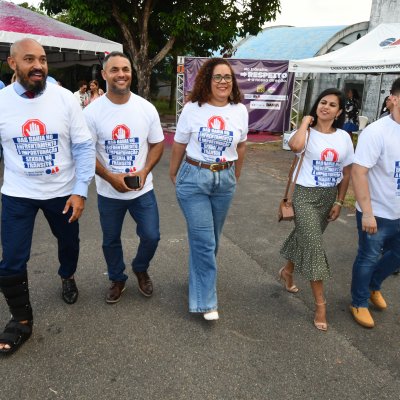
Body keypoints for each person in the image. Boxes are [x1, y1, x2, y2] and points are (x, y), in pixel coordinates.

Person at [0, 38, 95, 355]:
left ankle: (67, 275)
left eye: (42, 59)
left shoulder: (65, 99)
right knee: (12, 259)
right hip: (17, 194)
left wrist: (80, 191)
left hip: (62, 193)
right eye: (29, 59)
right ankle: (21, 321)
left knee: (69, 243)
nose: (38, 65)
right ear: (13, 64)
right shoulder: (2, 103)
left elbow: (83, 146)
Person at [169, 58, 248, 321]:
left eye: (227, 77)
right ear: (207, 80)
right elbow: (179, 143)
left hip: (224, 179)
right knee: (204, 241)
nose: (223, 82)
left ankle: (198, 282)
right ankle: (206, 302)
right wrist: (173, 171)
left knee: (210, 239)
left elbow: (242, 146)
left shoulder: (239, 111)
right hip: (194, 177)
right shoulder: (193, 109)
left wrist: (234, 175)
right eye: (217, 77)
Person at [84, 52, 164, 304]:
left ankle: (140, 267)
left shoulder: (145, 108)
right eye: (115, 69)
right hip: (109, 192)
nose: (121, 74)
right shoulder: (92, 112)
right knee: (110, 240)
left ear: (132, 72)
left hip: (142, 190)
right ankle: (117, 278)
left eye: (126, 69)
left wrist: (144, 171)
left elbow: (157, 144)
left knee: (151, 236)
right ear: (104, 74)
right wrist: (109, 177)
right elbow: (86, 152)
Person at [279, 88, 354, 332]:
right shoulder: (306, 133)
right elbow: (294, 147)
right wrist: (303, 123)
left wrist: (340, 201)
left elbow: (346, 172)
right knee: (314, 247)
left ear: (339, 111)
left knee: (306, 239)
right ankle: (321, 304)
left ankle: (287, 271)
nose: (326, 107)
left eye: (332, 105)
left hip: (328, 197)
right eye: (323, 102)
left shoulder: (343, 137)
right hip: (305, 196)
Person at [349, 77, 400, 329]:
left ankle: (373, 286)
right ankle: (358, 302)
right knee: (368, 257)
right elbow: (359, 172)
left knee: (397, 256)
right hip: (377, 212)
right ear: (394, 99)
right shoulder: (377, 132)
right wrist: (367, 213)